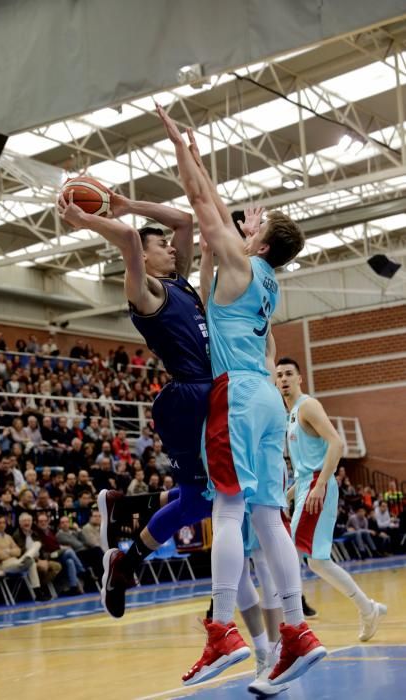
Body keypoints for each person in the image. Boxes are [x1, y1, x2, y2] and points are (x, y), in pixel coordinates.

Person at [157, 104, 324, 688]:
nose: (245, 225)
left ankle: (223, 629)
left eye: (256, 225)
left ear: (260, 240)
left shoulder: (242, 263)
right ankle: (296, 633)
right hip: (265, 403)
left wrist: (185, 151)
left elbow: (204, 208)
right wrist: (231, 217)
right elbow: (212, 280)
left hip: (234, 394)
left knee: (228, 510)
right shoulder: (267, 279)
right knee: (265, 515)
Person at [58, 185, 214, 620]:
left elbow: (184, 220)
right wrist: (87, 220)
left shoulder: (179, 282)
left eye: (167, 244)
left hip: (210, 393)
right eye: (159, 245)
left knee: (201, 502)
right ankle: (127, 538)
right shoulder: (145, 292)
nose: (169, 246)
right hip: (187, 398)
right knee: (207, 500)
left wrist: (129, 204)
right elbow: (128, 238)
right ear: (144, 259)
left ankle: (126, 553)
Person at [276, 357, 387, 644]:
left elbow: (337, 443)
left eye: (289, 373)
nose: (284, 379)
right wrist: (287, 495)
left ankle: (292, 624)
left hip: (317, 484)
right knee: (316, 561)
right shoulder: (289, 415)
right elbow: (303, 466)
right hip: (306, 485)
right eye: (279, 375)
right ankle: (367, 608)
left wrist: (320, 484)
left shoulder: (308, 406)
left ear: (300, 378)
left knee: (288, 549)